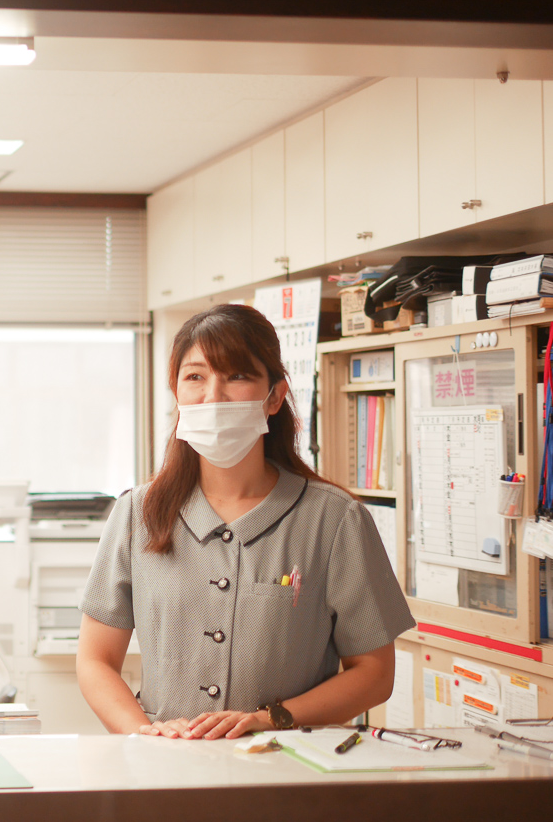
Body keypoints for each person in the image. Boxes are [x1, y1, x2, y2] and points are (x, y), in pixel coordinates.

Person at [77, 303, 413, 740]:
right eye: (195, 377)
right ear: (176, 392)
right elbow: (95, 660)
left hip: (287, 774)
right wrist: (144, 733)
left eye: (236, 376)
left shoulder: (333, 519)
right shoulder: (137, 514)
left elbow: (374, 673)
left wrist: (268, 718)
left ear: (273, 396)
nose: (213, 395)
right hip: (165, 771)